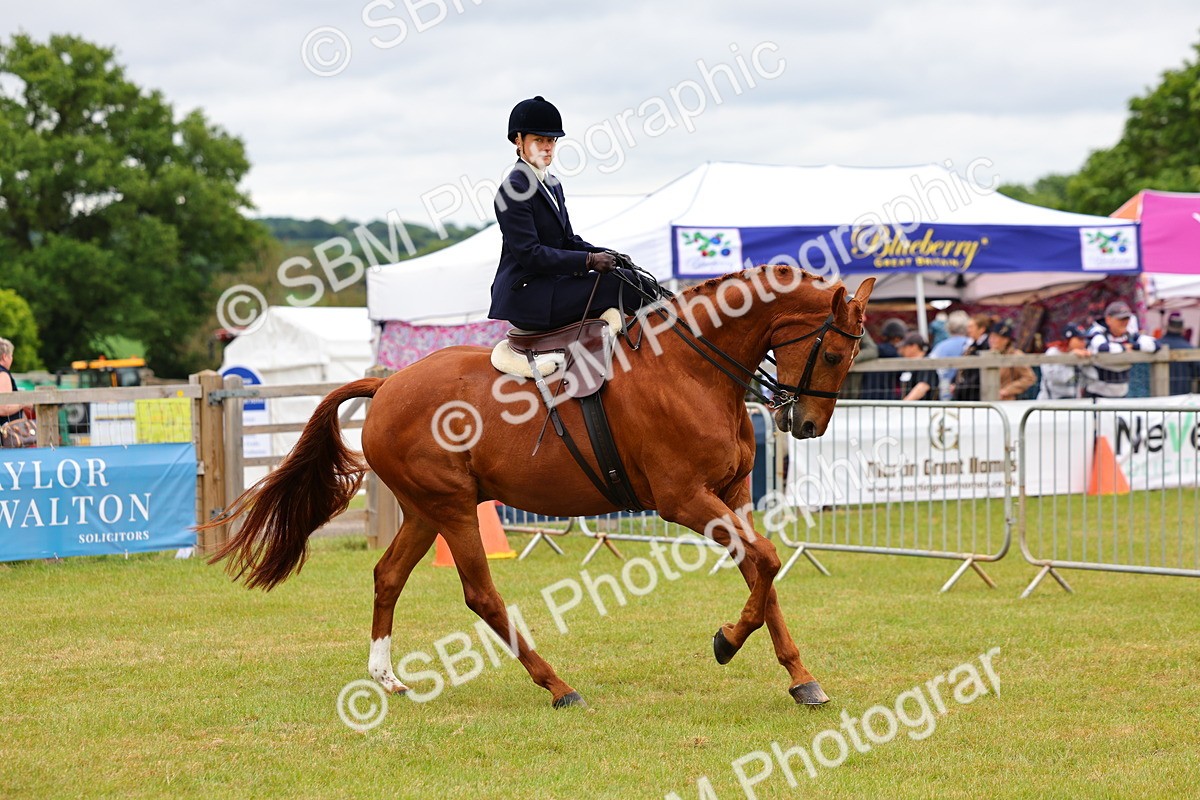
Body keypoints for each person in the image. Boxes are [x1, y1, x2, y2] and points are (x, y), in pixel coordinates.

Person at [489, 96, 658, 331]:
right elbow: (530, 254)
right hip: (530, 295)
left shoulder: (553, 184)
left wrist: (605, 254)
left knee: (633, 277)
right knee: (620, 283)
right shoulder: (513, 190)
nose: (547, 147)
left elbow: (568, 241)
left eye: (551, 140)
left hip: (554, 285)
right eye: (539, 140)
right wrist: (589, 261)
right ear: (518, 141)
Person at [1083, 300, 1158, 398]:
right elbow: (1101, 347)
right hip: (1097, 394)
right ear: (1108, 319)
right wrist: (1123, 347)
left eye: (1127, 319)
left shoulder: (1129, 335)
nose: (1124, 322)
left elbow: (1156, 344)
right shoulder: (1097, 332)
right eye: (1120, 319)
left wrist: (1135, 346)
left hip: (1121, 394)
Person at [1037, 324, 1090, 399]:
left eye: (1084, 339)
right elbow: (1056, 378)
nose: (1083, 342)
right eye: (1080, 339)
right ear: (1068, 340)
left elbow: (1089, 379)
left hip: (1074, 403)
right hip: (1050, 403)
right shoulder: (1052, 353)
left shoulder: (1083, 354)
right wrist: (1071, 358)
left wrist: (1087, 361)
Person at [986, 320, 1036, 400]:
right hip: (987, 399)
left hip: (1008, 401)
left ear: (1006, 340)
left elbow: (1029, 378)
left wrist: (1007, 390)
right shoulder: (987, 355)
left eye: (996, 337)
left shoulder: (1015, 355)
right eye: (991, 336)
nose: (992, 340)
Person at [929, 310, 971, 400]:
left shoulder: (940, 346)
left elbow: (931, 366)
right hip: (968, 390)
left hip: (945, 389)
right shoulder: (970, 344)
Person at [951, 313, 994, 401]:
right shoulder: (970, 345)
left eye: (971, 327)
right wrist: (953, 382)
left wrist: (961, 387)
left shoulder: (987, 346)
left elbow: (977, 374)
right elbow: (961, 366)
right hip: (966, 392)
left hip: (977, 394)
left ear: (981, 329)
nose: (968, 330)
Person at [861, 318, 906, 399]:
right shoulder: (895, 355)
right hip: (887, 395)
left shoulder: (875, 350)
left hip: (867, 393)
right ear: (897, 338)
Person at [1155, 312, 1198, 395]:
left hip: (1157, 398)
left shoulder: (1157, 345)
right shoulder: (1190, 349)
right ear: (1182, 329)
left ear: (1167, 327)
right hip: (1182, 398)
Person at [896, 332, 938, 401]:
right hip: (909, 408)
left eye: (905, 347)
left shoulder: (927, 363)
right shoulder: (909, 365)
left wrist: (903, 405)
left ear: (914, 347)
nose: (902, 350)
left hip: (923, 409)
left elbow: (923, 386)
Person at [0, 338, 24, 425]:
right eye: (11, 355)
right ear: (4, 357)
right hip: (4, 434)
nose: (11, 359)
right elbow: (3, 408)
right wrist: (23, 403)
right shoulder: (3, 374)